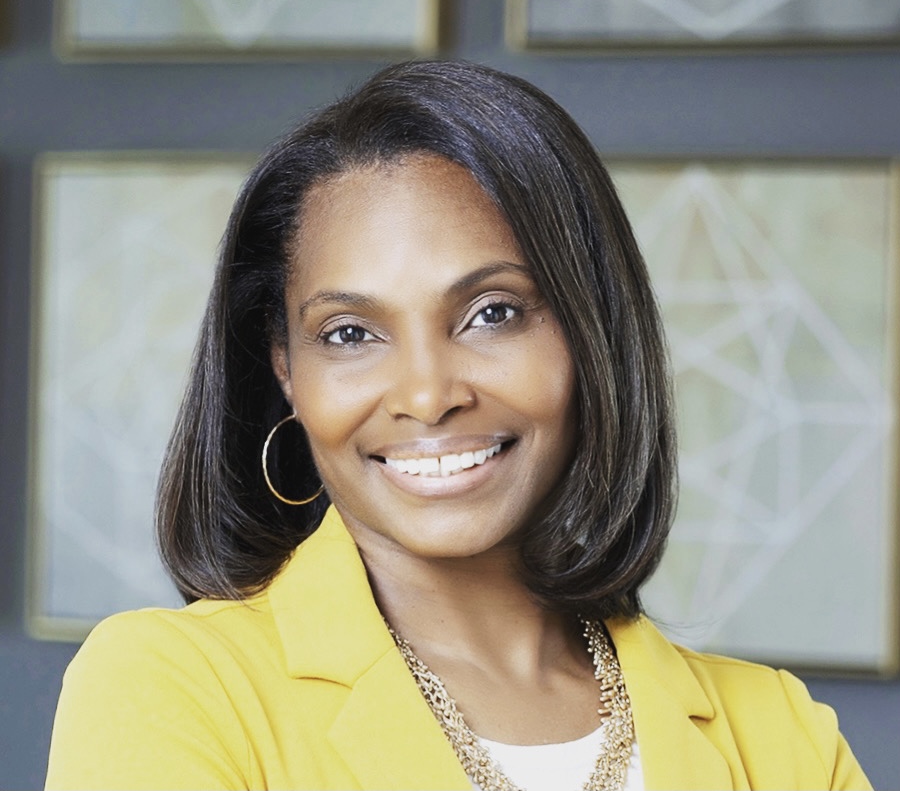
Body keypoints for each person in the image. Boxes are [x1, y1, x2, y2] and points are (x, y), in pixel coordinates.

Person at [45, 60, 870, 791]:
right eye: (349, 333)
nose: (428, 393)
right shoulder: (171, 688)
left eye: (492, 313)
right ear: (286, 369)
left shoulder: (779, 735)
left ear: (590, 331)